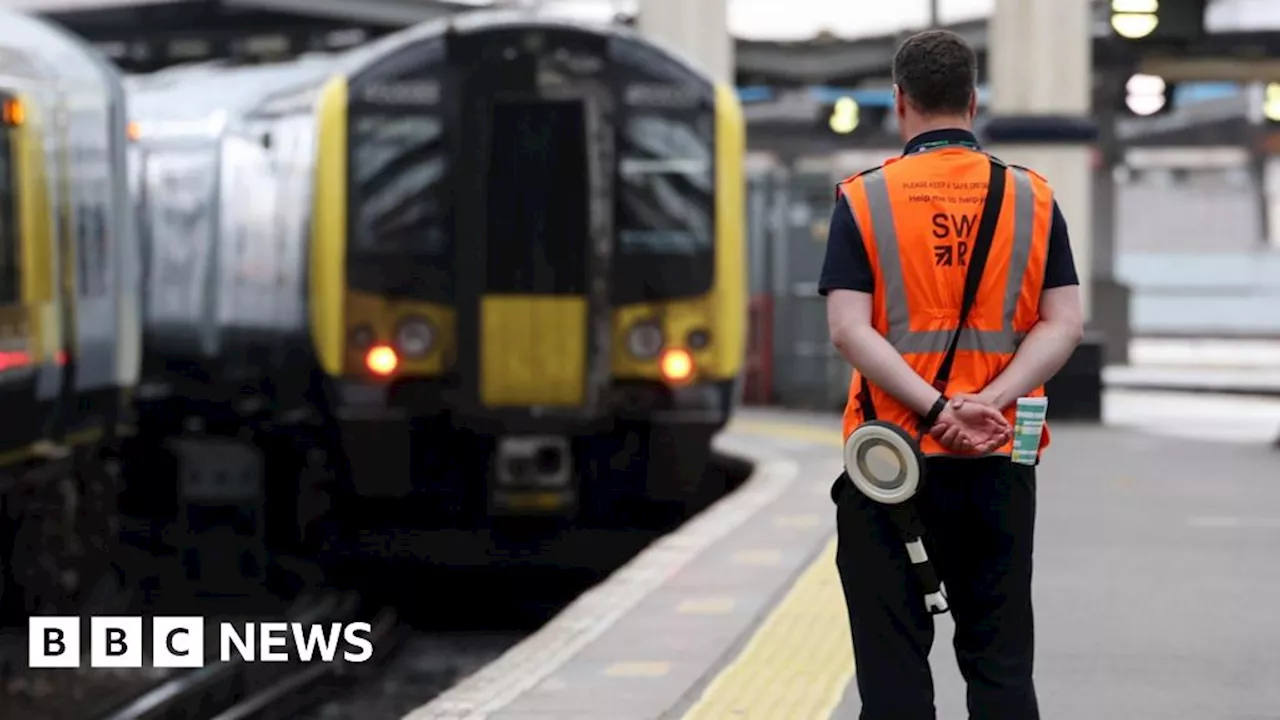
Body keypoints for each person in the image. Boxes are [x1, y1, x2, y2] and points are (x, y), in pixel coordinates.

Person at [819, 29, 1085, 720]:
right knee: (1000, 666)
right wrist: (987, 403)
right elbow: (1063, 323)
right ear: (973, 100)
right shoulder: (1033, 197)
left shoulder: (863, 198)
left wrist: (938, 411)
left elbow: (849, 330)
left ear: (899, 100)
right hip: (1000, 457)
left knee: (894, 675)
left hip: (890, 467)